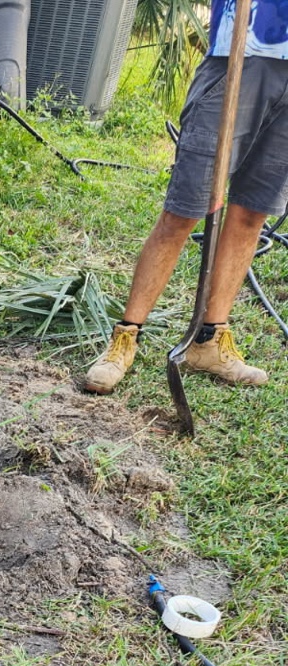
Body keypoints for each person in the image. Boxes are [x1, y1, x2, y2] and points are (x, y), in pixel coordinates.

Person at [84, 0, 288, 394]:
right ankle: (126, 338)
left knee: (251, 214)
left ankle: (209, 340)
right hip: (240, 55)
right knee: (184, 212)